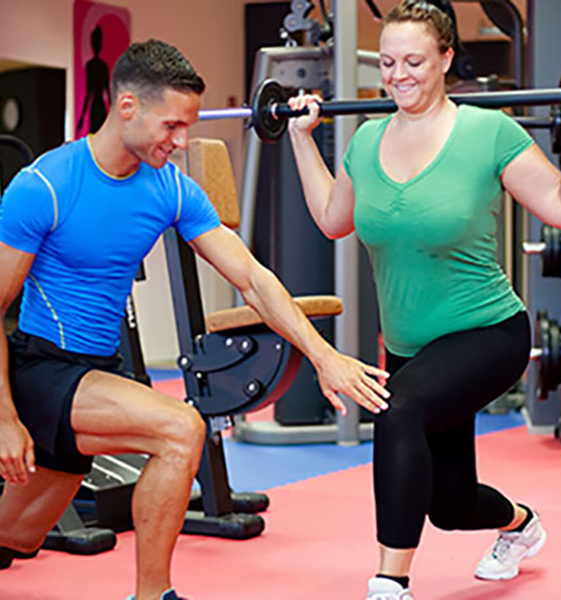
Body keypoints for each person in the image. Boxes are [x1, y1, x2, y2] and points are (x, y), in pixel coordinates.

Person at [0, 39, 391, 600]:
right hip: (41, 370)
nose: (182, 141)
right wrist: (6, 419)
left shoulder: (170, 189)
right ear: (127, 107)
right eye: (173, 125)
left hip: (99, 371)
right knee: (181, 429)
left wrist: (324, 356)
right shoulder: (44, 187)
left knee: (14, 533)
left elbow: (251, 277)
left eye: (189, 126)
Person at [286, 1, 561, 599]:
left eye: (413, 61)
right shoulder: (367, 139)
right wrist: (303, 139)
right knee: (450, 505)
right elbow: (332, 219)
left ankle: (389, 583)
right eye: (387, 62)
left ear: (446, 59)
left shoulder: (489, 133)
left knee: (395, 409)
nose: (398, 74)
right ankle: (521, 526)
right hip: (410, 347)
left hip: (486, 333)